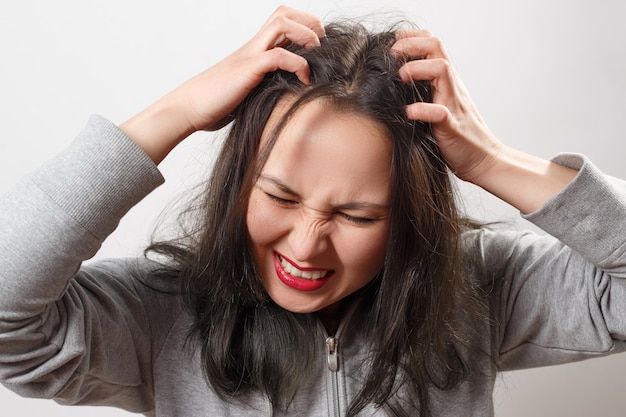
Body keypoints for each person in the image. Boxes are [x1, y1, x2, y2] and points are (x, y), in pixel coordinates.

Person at [0, 5, 624, 417]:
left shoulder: (481, 286)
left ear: (409, 218)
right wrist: (176, 112)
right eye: (279, 196)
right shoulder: (160, 313)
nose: (305, 246)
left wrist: (491, 160)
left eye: (358, 217)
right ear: (239, 182)